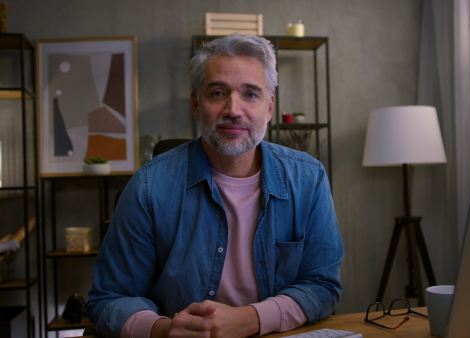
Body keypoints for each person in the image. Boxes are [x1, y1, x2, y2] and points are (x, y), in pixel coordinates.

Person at [85, 33, 344, 338]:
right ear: (196, 104)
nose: (233, 109)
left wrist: (249, 320)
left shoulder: (309, 179)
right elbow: (109, 299)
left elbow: (322, 285)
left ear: (269, 107)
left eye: (250, 94)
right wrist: (163, 330)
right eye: (218, 93)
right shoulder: (148, 187)